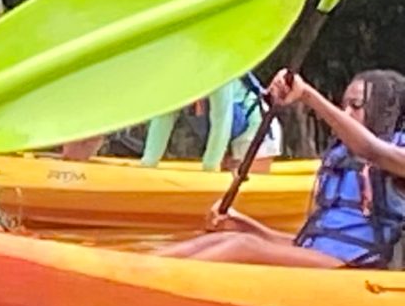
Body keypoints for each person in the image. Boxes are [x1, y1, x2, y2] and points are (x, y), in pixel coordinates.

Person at [158, 68, 405, 268]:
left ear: (385, 111)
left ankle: (153, 285)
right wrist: (244, 224)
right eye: (344, 105)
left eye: (356, 106)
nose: (346, 113)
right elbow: (307, 244)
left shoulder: (397, 157)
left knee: (242, 247)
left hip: (358, 268)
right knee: (227, 239)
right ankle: (136, 269)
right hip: (324, 260)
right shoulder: (342, 158)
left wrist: (307, 95)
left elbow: (372, 150)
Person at [139, 74, 276, 172]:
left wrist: (209, 169)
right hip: (231, 135)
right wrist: (148, 164)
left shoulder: (218, 73)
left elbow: (222, 121)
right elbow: (163, 118)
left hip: (256, 126)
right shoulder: (176, 74)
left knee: (244, 189)